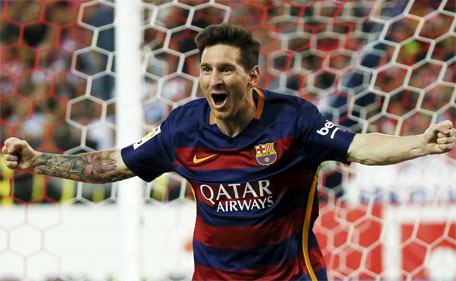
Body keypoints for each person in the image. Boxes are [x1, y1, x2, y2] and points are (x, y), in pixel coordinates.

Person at [2, 23, 456, 281]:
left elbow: (358, 147)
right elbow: (113, 165)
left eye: (225, 69)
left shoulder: (293, 120)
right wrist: (37, 160)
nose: (213, 79)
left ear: (253, 76)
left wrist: (418, 143)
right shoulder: (184, 126)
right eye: (206, 69)